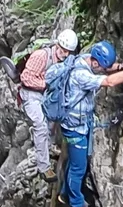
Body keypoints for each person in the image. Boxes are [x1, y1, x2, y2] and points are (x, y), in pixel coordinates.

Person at [51, 41, 123, 207]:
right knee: (78, 167)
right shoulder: (81, 74)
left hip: (80, 123)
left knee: (76, 162)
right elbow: (109, 81)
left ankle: (65, 193)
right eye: (103, 66)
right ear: (95, 62)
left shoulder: (84, 59)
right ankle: (76, 205)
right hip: (74, 128)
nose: (105, 69)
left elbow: (106, 70)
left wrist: (121, 67)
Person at [16, 29, 77, 176]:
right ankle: (44, 167)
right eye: (63, 50)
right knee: (41, 125)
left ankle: (48, 146)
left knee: (53, 120)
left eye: (68, 52)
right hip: (31, 94)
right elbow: (26, 78)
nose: (65, 54)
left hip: (46, 95)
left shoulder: (64, 60)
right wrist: (46, 83)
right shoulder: (41, 56)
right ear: (57, 45)